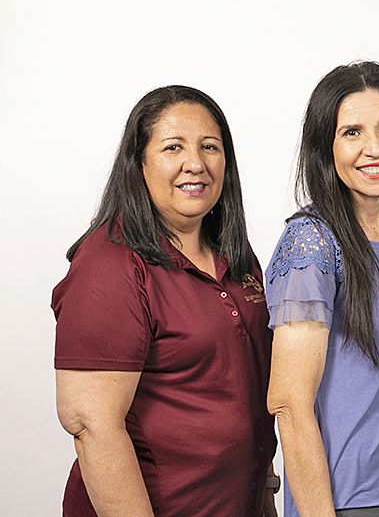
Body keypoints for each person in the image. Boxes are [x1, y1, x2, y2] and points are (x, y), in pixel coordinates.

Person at [52, 86, 278, 517]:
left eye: (209, 147)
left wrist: (264, 492)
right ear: (138, 164)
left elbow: (242, 392)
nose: (195, 164)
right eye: (173, 147)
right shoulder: (111, 262)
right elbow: (91, 424)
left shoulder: (236, 254)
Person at [265, 61, 379, 517]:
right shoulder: (311, 241)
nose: (375, 147)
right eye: (351, 132)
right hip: (349, 499)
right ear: (325, 149)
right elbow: (289, 403)